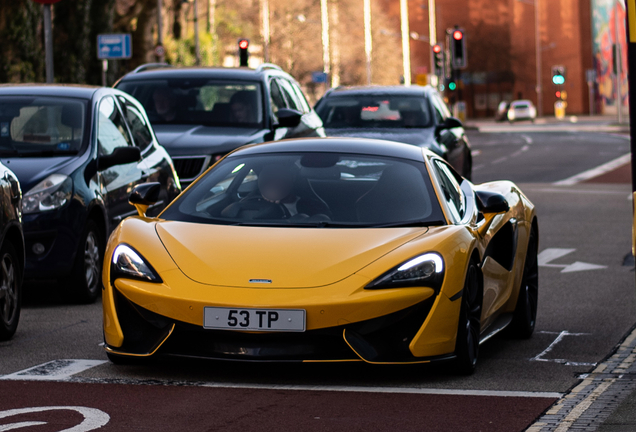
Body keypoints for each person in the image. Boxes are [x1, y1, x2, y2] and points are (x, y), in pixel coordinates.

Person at [221, 163, 330, 220]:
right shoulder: (249, 201)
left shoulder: (311, 205)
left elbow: (324, 222)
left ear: (291, 180)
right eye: (269, 177)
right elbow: (226, 215)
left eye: (280, 177)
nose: (274, 182)